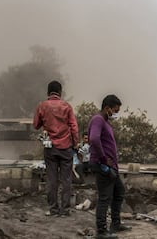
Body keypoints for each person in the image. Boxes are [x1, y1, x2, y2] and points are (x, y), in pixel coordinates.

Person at [33, 80, 79, 217]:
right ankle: (65, 211)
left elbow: (36, 125)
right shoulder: (67, 106)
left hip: (50, 148)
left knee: (52, 180)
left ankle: (53, 209)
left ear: (48, 92)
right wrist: (75, 143)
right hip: (66, 148)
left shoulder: (42, 106)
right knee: (66, 180)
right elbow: (74, 127)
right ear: (60, 92)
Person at [88, 94, 130, 239]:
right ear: (107, 108)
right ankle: (101, 231)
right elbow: (93, 139)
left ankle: (116, 223)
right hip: (102, 165)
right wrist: (104, 159)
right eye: (115, 111)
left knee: (119, 192)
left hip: (111, 167)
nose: (115, 114)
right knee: (105, 197)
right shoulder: (98, 119)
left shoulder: (104, 122)